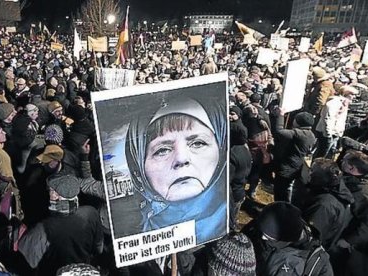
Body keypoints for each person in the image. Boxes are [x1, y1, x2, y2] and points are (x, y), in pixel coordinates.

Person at [125, 97, 229, 244]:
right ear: (139, 168)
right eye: (162, 150)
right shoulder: (136, 241)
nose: (181, 159)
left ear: (221, 150)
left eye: (198, 143)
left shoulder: (228, 230)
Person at [243, 202, 333, 276]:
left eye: (268, 237)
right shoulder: (259, 228)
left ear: (285, 239)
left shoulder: (317, 262)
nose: (262, 237)